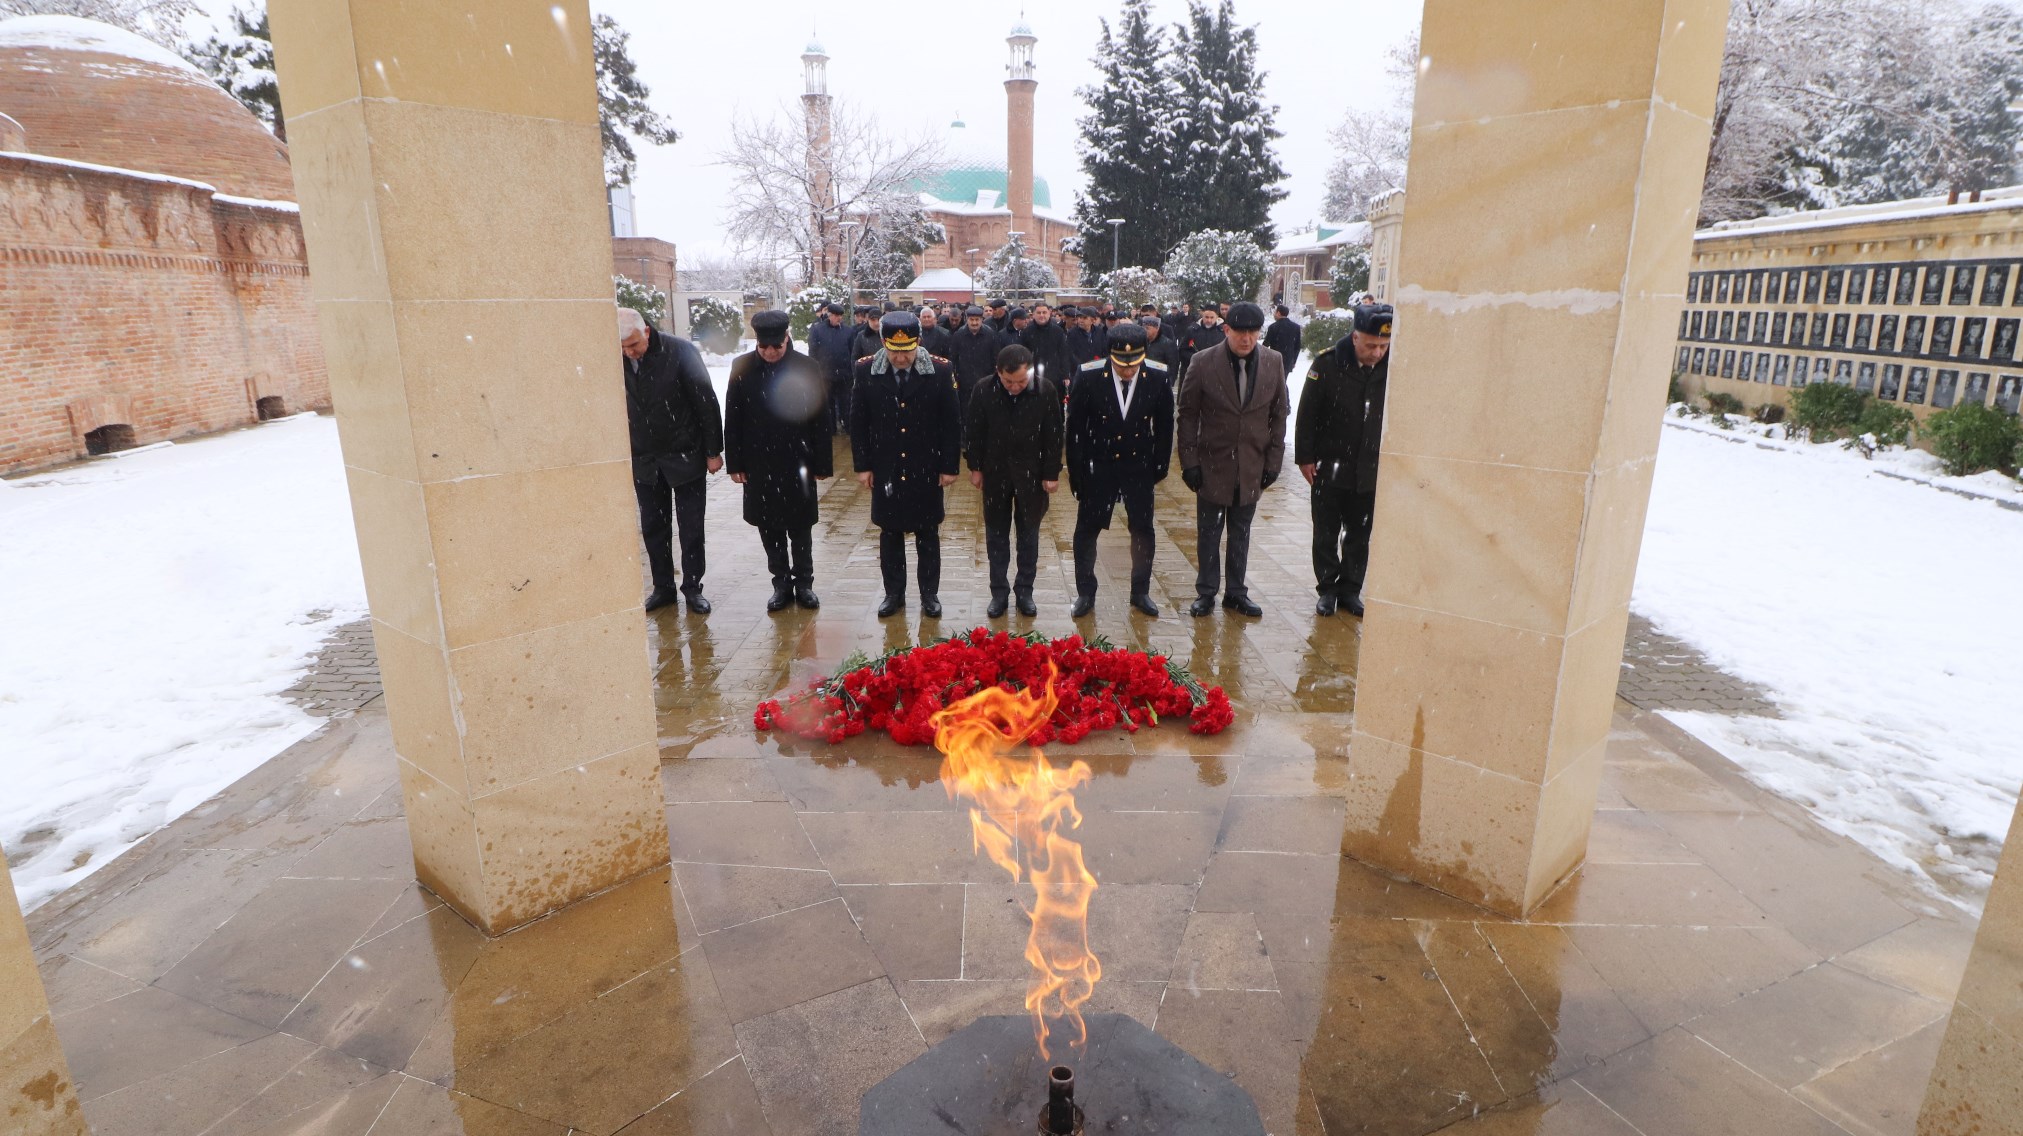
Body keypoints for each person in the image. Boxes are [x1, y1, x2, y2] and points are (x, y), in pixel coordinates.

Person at [1177, 302, 1288, 618]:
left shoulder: (1273, 362)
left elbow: (1279, 414)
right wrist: (1189, 462)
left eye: (1253, 332)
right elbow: (1187, 415)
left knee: (1241, 532)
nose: (1247, 339)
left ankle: (1236, 593)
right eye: (1240, 332)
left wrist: (1273, 463)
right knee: (1209, 532)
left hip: (1252, 465)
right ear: (1226, 329)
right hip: (1212, 464)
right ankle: (1206, 592)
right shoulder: (1203, 362)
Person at [851, 311, 963, 618]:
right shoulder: (866, 370)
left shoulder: (940, 370)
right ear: (883, 345)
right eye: (894, 351)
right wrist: (863, 465)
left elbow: (951, 423)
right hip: (885, 465)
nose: (901, 358)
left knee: (927, 533)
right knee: (890, 533)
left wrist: (949, 466)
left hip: (925, 465)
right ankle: (894, 594)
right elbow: (858, 422)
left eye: (907, 351)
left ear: (919, 343)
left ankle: (929, 594)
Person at [724, 309, 832, 611]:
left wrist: (822, 463)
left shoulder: (806, 367)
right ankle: (781, 583)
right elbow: (733, 417)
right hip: (759, 462)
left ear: (786, 339)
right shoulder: (742, 367)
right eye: (764, 347)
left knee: (801, 526)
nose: (770, 352)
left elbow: (821, 418)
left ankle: (805, 583)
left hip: (798, 460)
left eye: (776, 346)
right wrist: (735, 463)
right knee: (768, 526)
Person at [1065, 321, 1173, 618]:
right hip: (1099, 464)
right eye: (1121, 365)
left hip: (1138, 465)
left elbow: (1165, 424)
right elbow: (1075, 429)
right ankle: (1086, 593)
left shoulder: (1157, 375)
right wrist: (1076, 473)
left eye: (1134, 365)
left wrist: (1160, 465)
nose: (1127, 371)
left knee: (1142, 530)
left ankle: (1140, 591)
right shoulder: (1088, 375)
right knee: (1087, 531)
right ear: (1109, 355)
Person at [620, 307, 724, 614]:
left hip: (684, 454)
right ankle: (663, 587)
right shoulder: (615, 358)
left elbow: (706, 402)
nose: (629, 353)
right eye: (623, 348)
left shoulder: (680, 352)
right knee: (654, 528)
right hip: (644, 458)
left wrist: (713, 451)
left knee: (691, 527)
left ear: (646, 332)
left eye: (634, 345)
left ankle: (692, 587)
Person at [1296, 303, 1394, 617]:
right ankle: (1327, 588)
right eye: (1371, 345)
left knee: (1359, 534)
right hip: (1330, 465)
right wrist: (1305, 457)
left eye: (1383, 346)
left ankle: (1351, 590)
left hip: (1370, 469)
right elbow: (1307, 414)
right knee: (1326, 532)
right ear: (1355, 338)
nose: (1377, 353)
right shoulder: (1328, 364)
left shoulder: (1394, 368)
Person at [965, 343, 1063, 618]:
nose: (1015, 387)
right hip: (995, 472)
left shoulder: (1045, 390)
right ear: (998, 372)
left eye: (1021, 381)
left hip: (1032, 474)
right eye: (1009, 381)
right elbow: (974, 431)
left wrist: (1051, 473)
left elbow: (1054, 435)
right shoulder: (983, 389)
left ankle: (1024, 592)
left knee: (1028, 536)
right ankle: (999, 593)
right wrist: (975, 467)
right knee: (996, 536)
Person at [806, 301, 856, 435]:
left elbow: (852, 352)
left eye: (840, 315)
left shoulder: (848, 331)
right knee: (828, 405)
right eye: (836, 315)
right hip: (825, 375)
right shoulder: (818, 330)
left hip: (844, 375)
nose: (838, 318)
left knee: (846, 403)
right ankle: (830, 429)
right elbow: (813, 352)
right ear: (829, 315)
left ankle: (848, 428)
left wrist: (852, 372)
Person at [947, 304, 1002, 421]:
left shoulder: (991, 335)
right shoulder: (958, 336)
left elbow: (996, 359)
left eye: (977, 320)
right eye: (971, 320)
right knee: (966, 415)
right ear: (967, 319)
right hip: (964, 385)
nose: (974, 323)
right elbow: (952, 359)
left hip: (986, 383)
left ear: (982, 320)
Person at [1019, 300, 1073, 391]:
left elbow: (1064, 354)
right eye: (1038, 313)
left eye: (1044, 312)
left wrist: (1066, 375)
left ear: (1049, 314)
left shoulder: (1058, 331)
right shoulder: (1027, 332)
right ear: (1034, 314)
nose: (1041, 315)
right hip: (1033, 377)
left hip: (1054, 377)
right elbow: (1023, 355)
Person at [1178, 302, 1226, 380]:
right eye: (1206, 317)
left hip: (1214, 374)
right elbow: (1182, 351)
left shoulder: (1223, 332)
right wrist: (1197, 359)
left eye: (1212, 317)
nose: (1209, 320)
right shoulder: (1192, 330)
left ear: (1217, 317)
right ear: (1202, 316)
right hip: (1194, 372)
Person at [1264, 303, 1303, 374]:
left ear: (1278, 313)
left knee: (1273, 380)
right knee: (1283, 379)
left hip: (1275, 360)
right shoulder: (1296, 327)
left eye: (1275, 312)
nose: (1274, 314)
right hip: (1288, 362)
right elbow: (1297, 346)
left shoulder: (1273, 327)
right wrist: (1293, 361)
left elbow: (1265, 345)